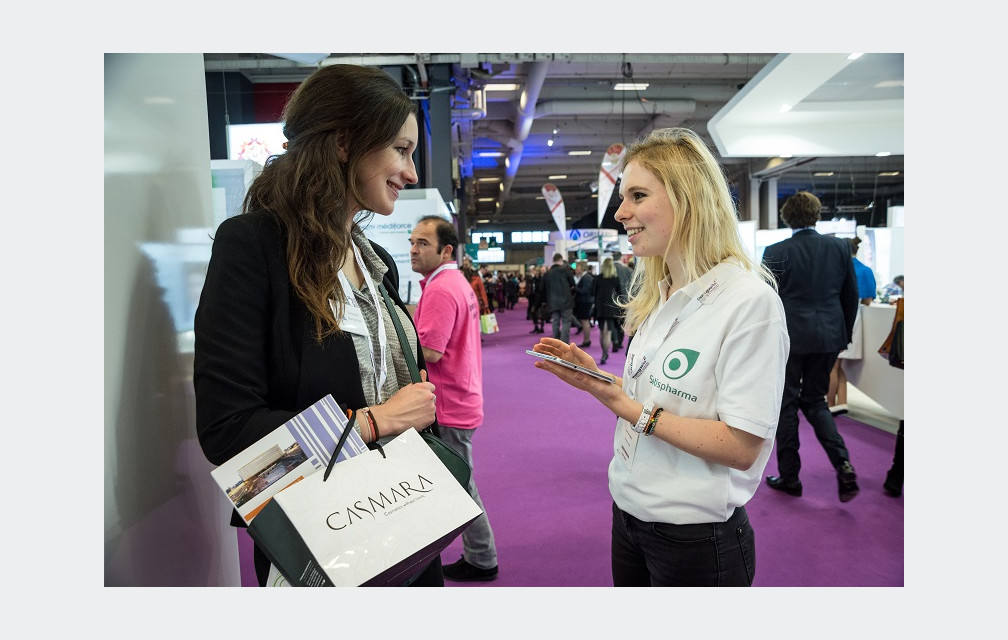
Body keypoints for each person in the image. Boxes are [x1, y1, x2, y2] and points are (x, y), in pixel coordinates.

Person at [192, 64, 442, 587]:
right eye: (401, 150)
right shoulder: (253, 246)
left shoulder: (375, 261)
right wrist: (375, 422)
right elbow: (227, 432)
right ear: (345, 143)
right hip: (322, 537)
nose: (412, 173)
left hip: (406, 519)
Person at [530, 128, 789, 586]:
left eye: (637, 195)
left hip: (695, 537)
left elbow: (742, 446)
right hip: (629, 515)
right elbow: (664, 396)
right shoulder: (659, 293)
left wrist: (626, 406)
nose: (621, 212)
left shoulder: (749, 302)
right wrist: (604, 384)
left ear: (687, 199)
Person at [408, 215, 499, 581]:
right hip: (457, 398)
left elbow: (429, 350)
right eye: (413, 242)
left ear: (446, 250)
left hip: (448, 403)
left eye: (423, 244)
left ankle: (482, 557)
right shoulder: (453, 282)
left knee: (460, 486)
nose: (414, 249)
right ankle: (479, 554)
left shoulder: (442, 288)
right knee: (457, 482)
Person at [762, 191, 860, 502]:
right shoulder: (840, 248)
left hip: (790, 337)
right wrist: (842, 334)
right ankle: (842, 463)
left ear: (787, 217)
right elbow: (850, 295)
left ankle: (790, 477)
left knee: (786, 404)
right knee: (816, 401)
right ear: (816, 215)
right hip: (829, 335)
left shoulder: (776, 251)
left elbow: (765, 301)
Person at [828, 237, 877, 415]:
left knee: (832, 365)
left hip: (839, 320)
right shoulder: (865, 270)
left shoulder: (838, 270)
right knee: (838, 365)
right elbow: (868, 300)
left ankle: (830, 404)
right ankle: (842, 402)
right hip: (855, 320)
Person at [592, 257, 625, 366]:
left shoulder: (597, 278)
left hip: (600, 308)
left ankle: (604, 353)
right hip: (611, 308)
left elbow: (592, 293)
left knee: (602, 331)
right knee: (608, 332)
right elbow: (620, 294)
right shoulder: (615, 279)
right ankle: (605, 354)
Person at [542, 252, 575, 343]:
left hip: (552, 302)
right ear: (560, 260)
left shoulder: (547, 274)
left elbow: (543, 289)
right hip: (566, 301)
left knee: (555, 322)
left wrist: (545, 301)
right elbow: (573, 284)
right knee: (566, 322)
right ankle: (564, 343)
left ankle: (557, 341)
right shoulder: (565, 270)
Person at [609, 250, 633, 352]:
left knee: (612, 323)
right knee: (621, 322)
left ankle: (614, 340)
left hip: (610, 300)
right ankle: (619, 341)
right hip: (624, 300)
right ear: (620, 257)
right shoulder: (627, 270)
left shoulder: (608, 269)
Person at [573, 259, 595, 347]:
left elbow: (585, 291)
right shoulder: (585, 277)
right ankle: (586, 340)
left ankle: (587, 340)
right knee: (584, 321)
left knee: (585, 321)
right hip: (585, 302)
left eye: (577, 267)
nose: (576, 269)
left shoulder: (586, 277)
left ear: (582, 267)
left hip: (585, 302)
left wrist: (575, 288)